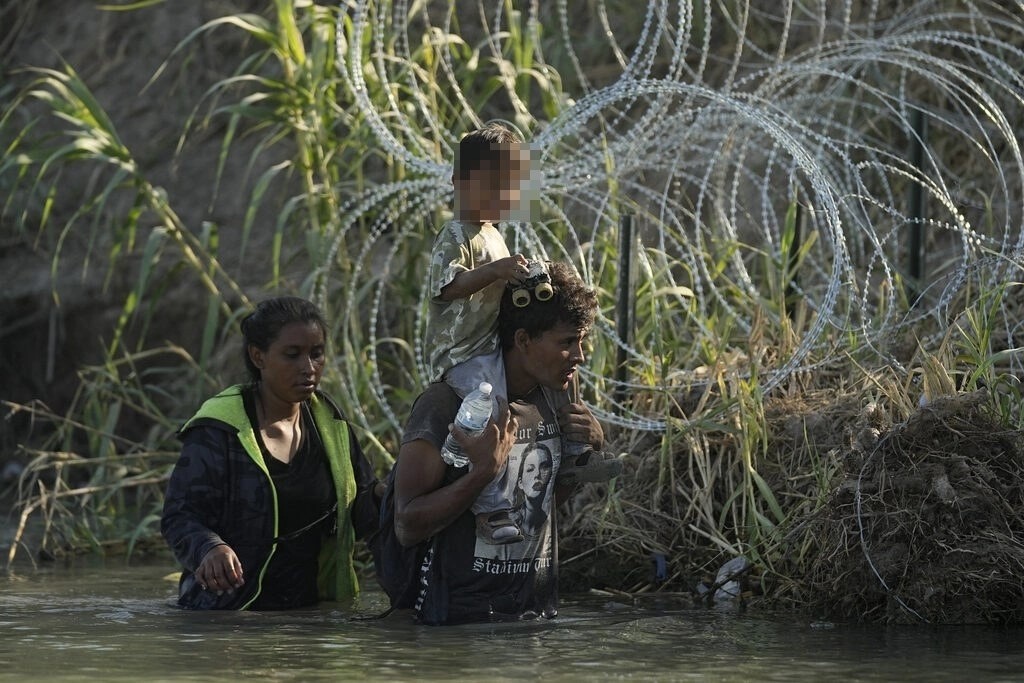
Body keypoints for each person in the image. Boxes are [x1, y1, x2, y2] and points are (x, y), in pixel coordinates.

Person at [425, 122, 615, 546]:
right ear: (459, 182)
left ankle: (577, 454)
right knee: (491, 418)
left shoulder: (492, 233)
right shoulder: (455, 235)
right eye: (489, 185)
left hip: (490, 342)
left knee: (568, 372)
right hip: (463, 354)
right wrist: (498, 269)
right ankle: (492, 509)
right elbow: (449, 288)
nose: (500, 197)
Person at [395, 261, 611, 625]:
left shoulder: (556, 401)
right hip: (457, 627)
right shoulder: (448, 404)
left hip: (536, 617)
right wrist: (482, 473)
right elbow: (407, 525)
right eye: (566, 343)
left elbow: (540, 506)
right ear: (523, 340)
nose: (579, 356)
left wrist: (591, 447)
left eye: (582, 341)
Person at [161, 296, 381, 610]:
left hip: (311, 613)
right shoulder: (220, 428)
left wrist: (396, 495)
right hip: (228, 615)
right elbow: (179, 516)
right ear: (258, 356)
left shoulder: (329, 424)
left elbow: (361, 506)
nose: (308, 368)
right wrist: (209, 549)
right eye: (292, 355)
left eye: (316, 354)